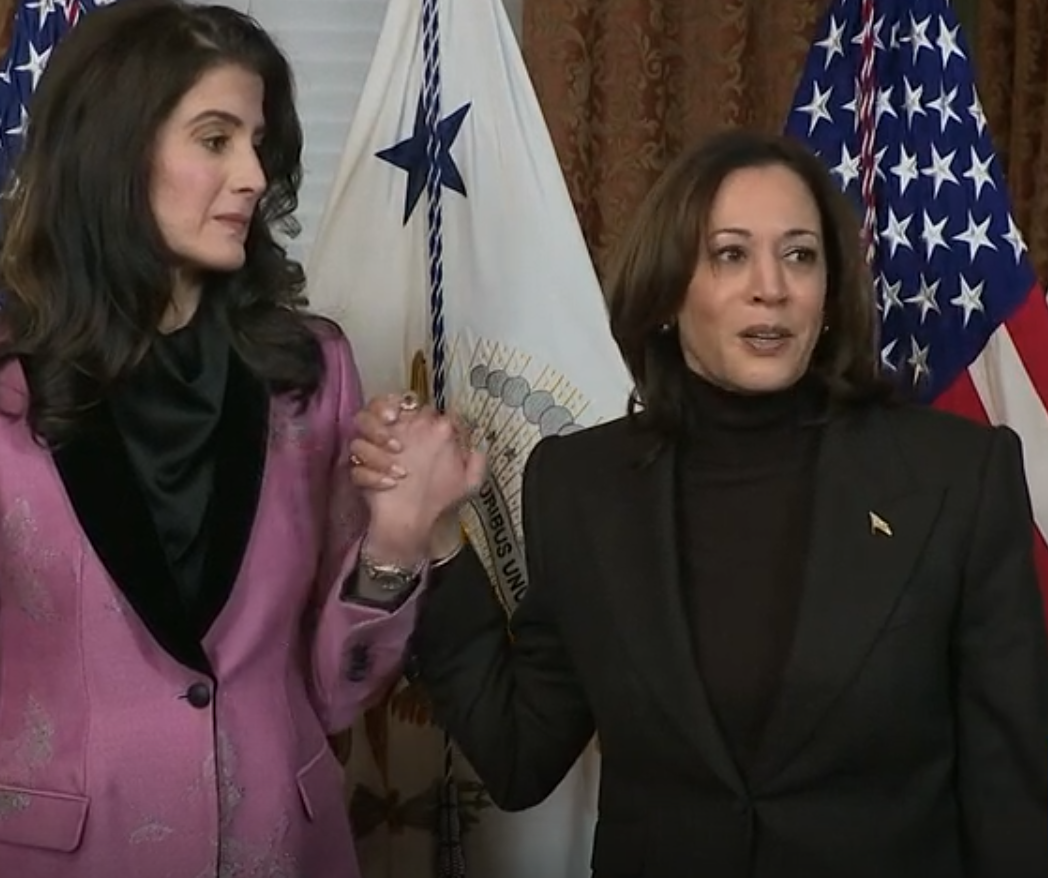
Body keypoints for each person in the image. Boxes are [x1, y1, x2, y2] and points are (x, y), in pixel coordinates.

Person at [0, 0, 479, 878]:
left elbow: (331, 694)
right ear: (115, 153)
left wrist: (395, 540)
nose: (253, 175)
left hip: (279, 849)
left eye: (257, 144)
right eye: (215, 139)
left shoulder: (309, 371)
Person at [351, 129, 1048, 877]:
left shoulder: (956, 475)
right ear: (665, 292)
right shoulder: (581, 484)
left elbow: (1011, 795)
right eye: (729, 254)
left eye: (799, 255)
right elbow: (521, 754)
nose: (771, 287)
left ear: (828, 292)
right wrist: (436, 538)